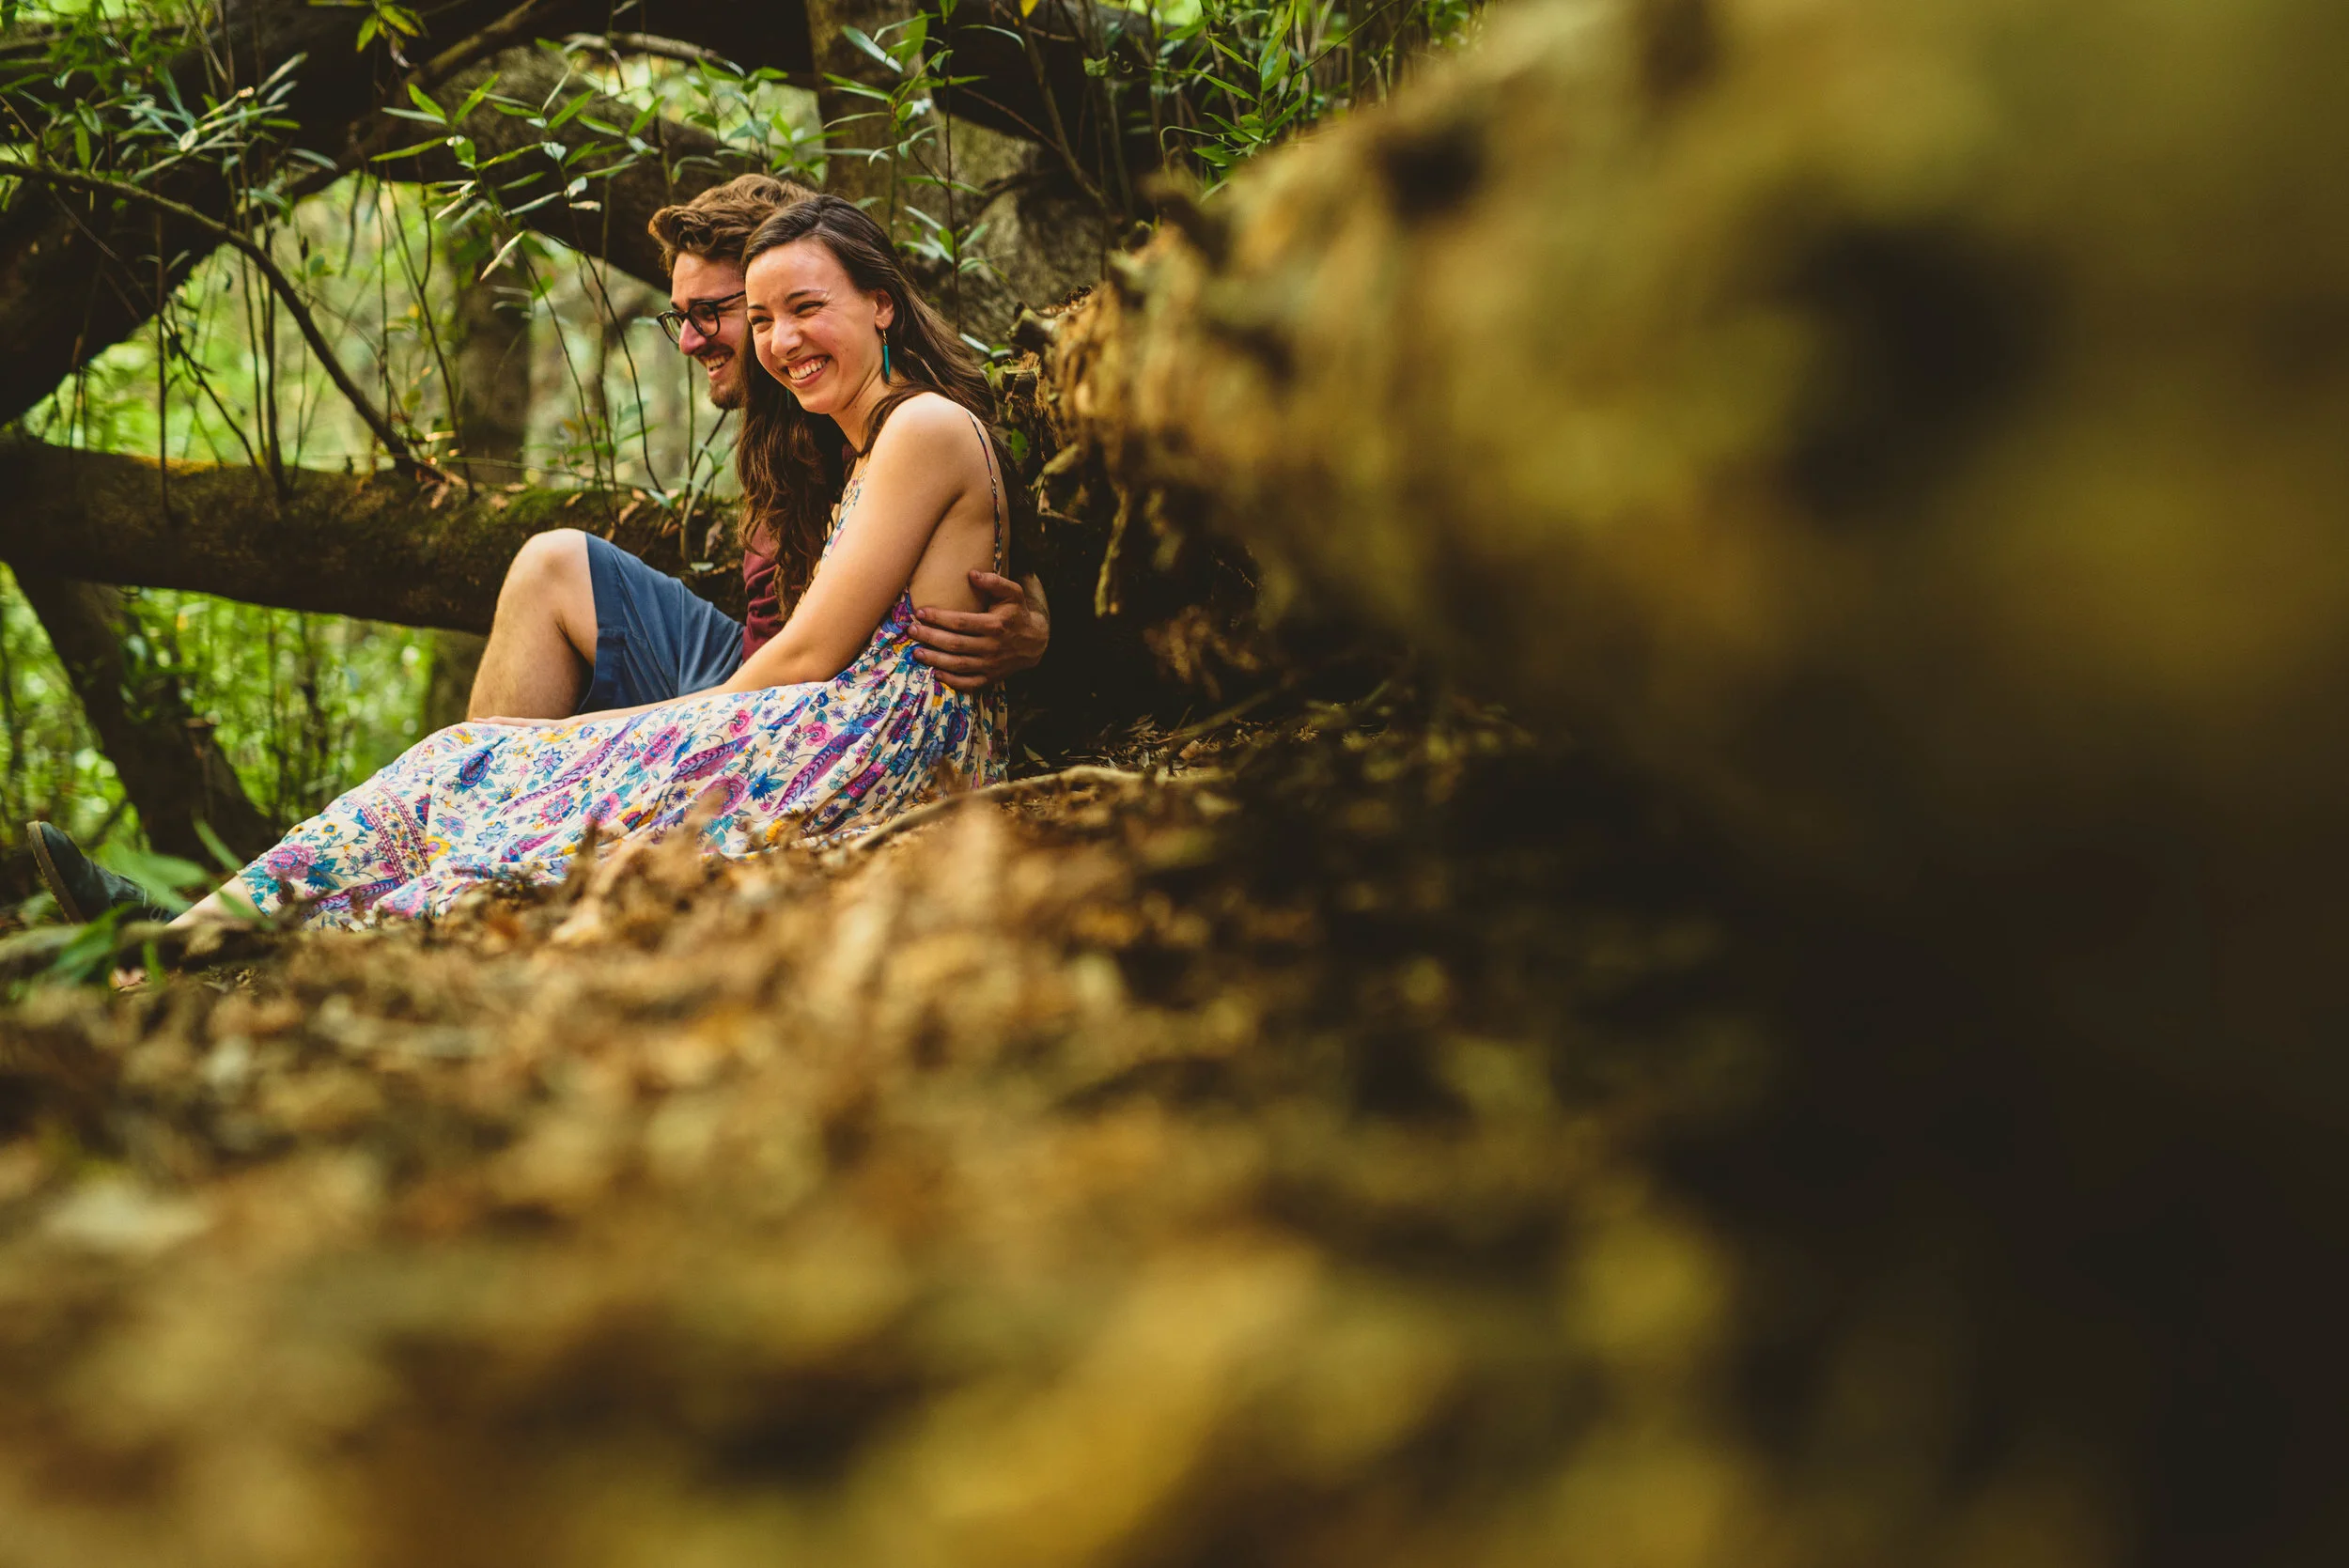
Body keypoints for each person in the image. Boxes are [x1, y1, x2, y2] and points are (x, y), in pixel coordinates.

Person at [31, 195, 1020, 931]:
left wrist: (618, 734)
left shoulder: (919, 425)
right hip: (823, 720)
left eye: (797, 310)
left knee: (499, 781)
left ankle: (228, 936)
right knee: (477, 766)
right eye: (763, 321)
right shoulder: (863, 431)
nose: (777, 340)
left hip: (852, 739)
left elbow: (820, 650)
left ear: (882, 304)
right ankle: (190, 933)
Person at [468, 173, 1049, 721]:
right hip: (751, 670)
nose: (689, 341)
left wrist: (1036, 619)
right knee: (550, 565)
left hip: (805, 705)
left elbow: (989, 524)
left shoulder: (882, 410)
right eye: (760, 317)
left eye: (710, 313)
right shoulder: (780, 419)